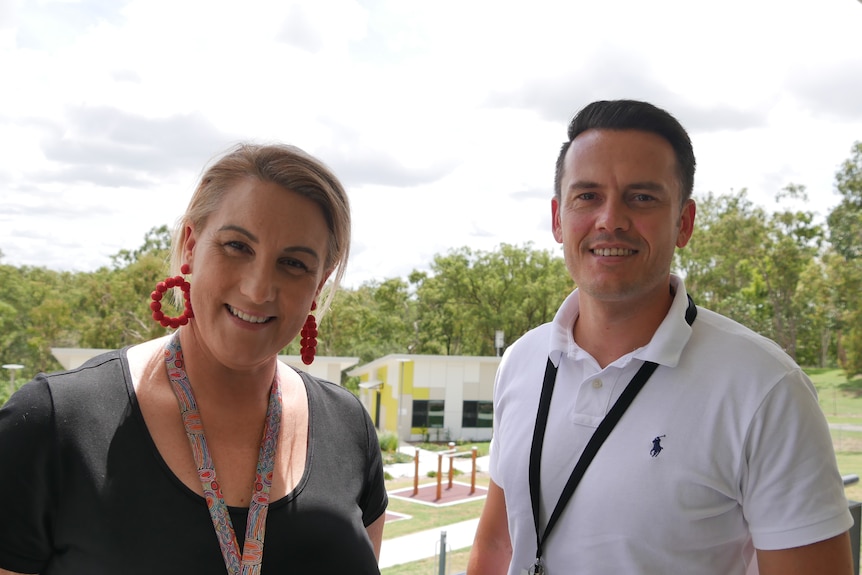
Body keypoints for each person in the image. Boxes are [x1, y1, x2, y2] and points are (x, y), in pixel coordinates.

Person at [468, 100, 854, 575]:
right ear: (557, 219)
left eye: (642, 197)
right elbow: (497, 548)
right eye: (587, 196)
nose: (610, 219)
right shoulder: (522, 362)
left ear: (684, 223)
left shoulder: (766, 389)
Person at [0, 143, 388, 574]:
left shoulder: (349, 427)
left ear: (318, 287)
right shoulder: (52, 425)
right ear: (190, 245)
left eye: (293, 263)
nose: (258, 289)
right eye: (238, 246)